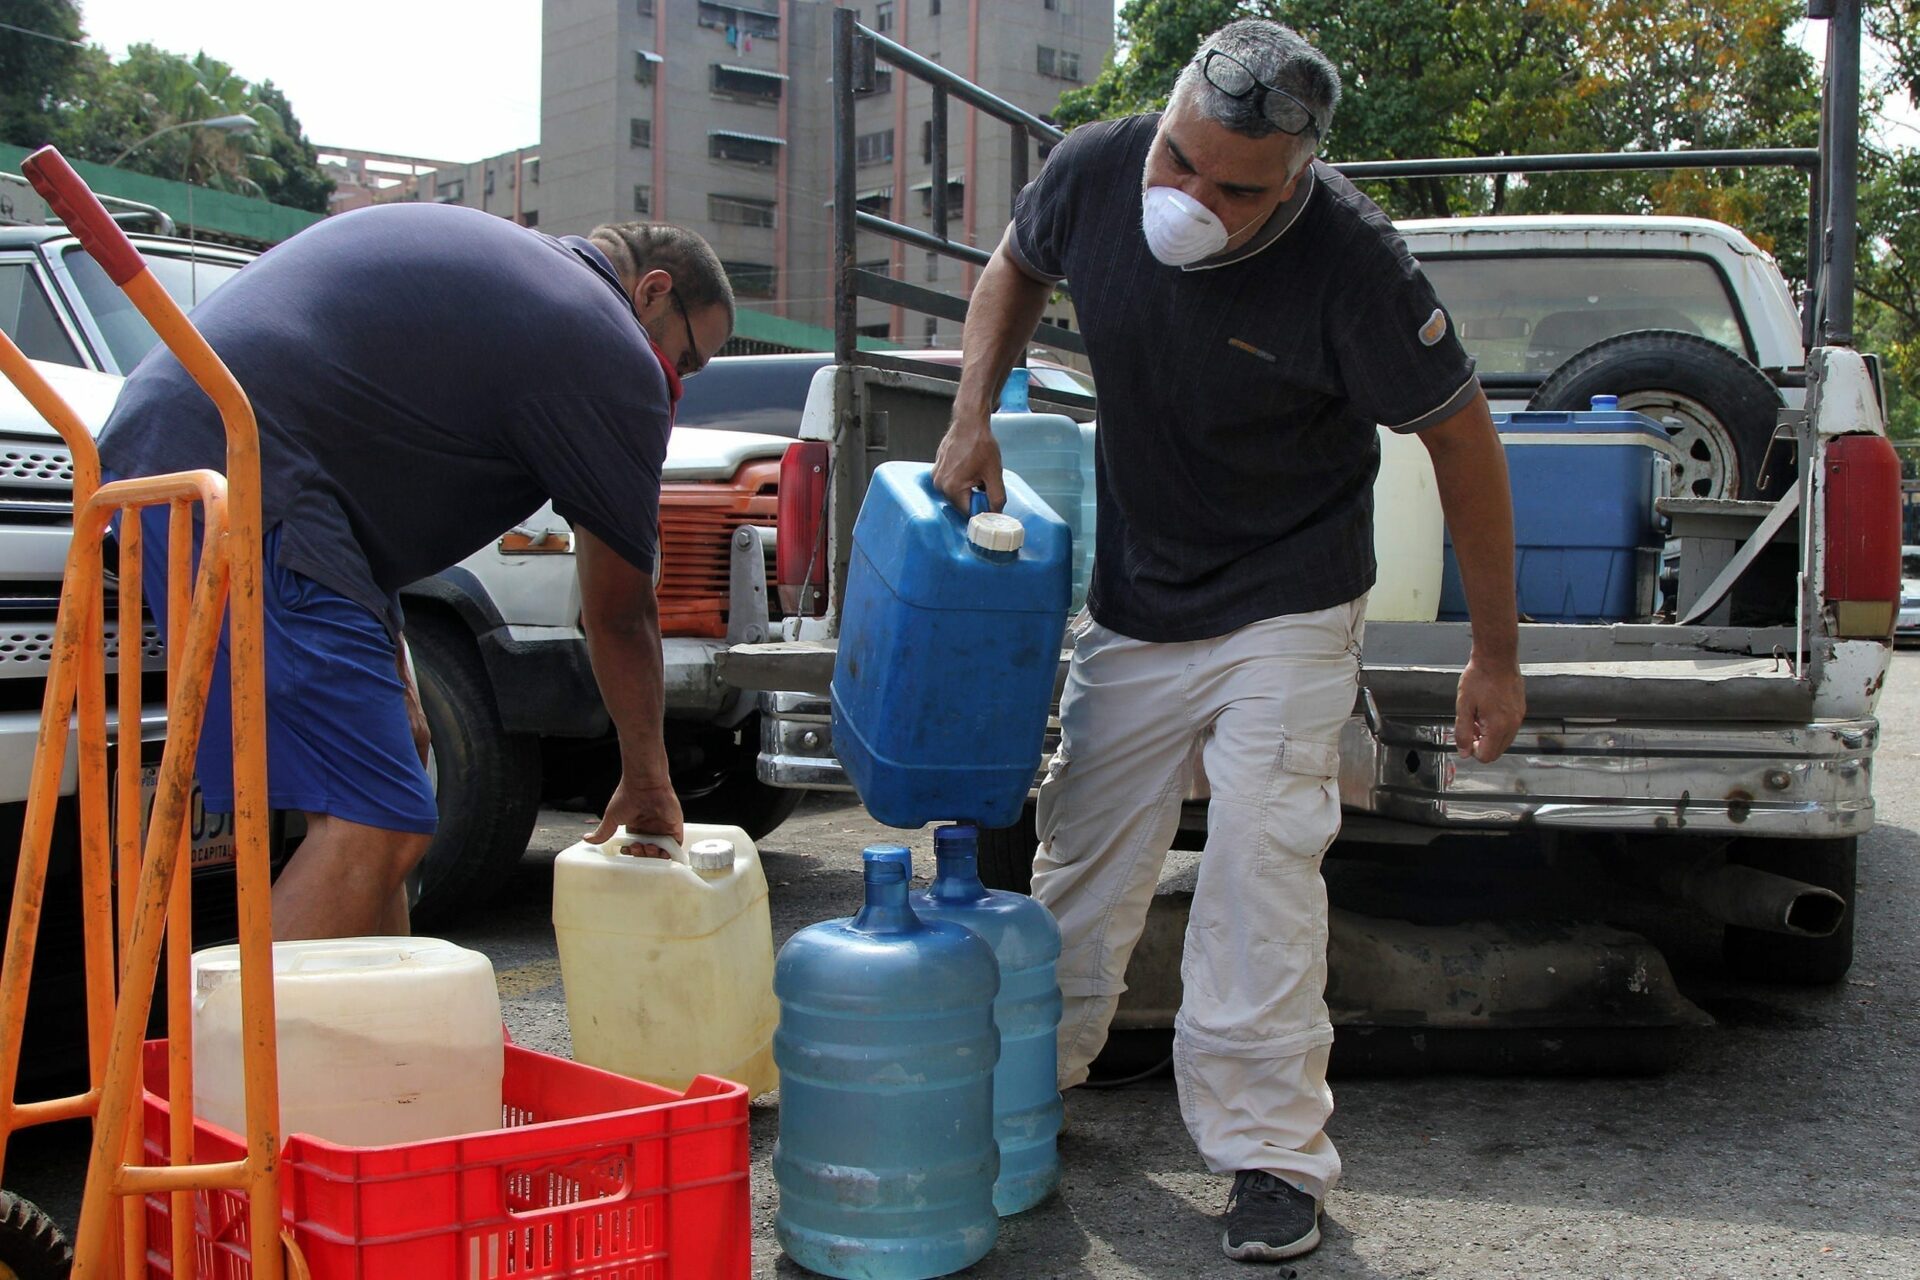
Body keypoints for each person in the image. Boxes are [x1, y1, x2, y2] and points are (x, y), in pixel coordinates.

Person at [931, 17, 1527, 1266]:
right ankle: (1035, 1088)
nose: (1192, 199)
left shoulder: (1355, 263)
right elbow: (1011, 265)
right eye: (1179, 164)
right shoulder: (1098, 163)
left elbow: (1463, 438)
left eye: (1237, 188)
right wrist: (970, 411)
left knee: (1261, 867)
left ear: (1299, 175)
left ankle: (1268, 1157)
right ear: (1164, 119)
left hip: (1291, 597)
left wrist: (1497, 653)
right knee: (1080, 858)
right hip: (1140, 595)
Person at [98, 204, 734, 941]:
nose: (677, 381)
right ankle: (242, 1055)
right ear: (654, 292)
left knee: (398, 767)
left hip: (220, 462)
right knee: (378, 818)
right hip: (250, 473)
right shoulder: (610, 344)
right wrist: (650, 784)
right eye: (688, 360)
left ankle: (376, 1039)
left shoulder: (530, 284)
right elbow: (620, 615)